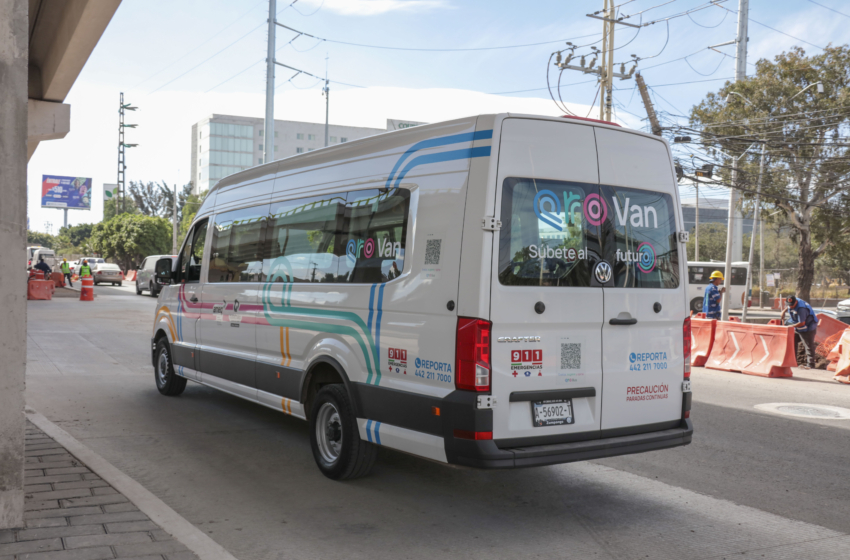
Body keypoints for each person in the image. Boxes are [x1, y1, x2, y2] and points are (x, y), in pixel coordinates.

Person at [781, 295, 818, 369]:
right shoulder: (792, 300)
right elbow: (789, 305)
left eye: (792, 305)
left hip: (807, 327)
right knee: (792, 343)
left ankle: (811, 364)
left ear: (796, 302)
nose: (790, 307)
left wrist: (791, 327)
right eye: (789, 305)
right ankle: (793, 361)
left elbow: (802, 323)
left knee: (808, 346)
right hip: (796, 325)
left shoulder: (801, 309)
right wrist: (784, 311)